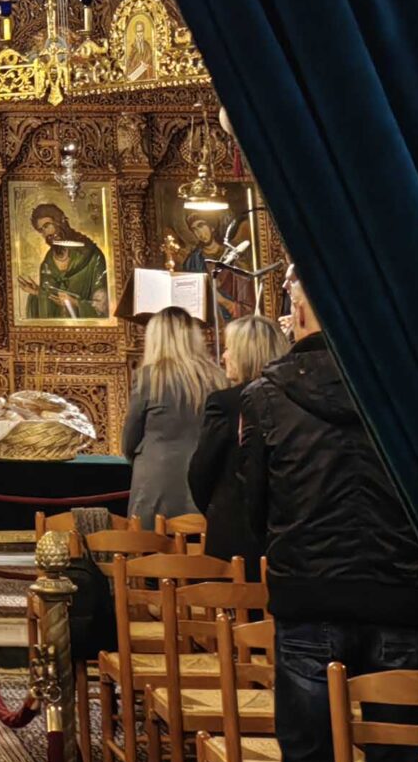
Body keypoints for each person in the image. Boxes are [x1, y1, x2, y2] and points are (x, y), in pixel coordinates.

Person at [232, 273, 418, 762]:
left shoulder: (265, 396)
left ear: (298, 313)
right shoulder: (406, 393)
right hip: (394, 590)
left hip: (309, 592)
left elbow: (254, 506)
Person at [186, 312, 289, 565]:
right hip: (286, 531)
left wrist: (220, 510)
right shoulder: (292, 398)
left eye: (229, 348)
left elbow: (201, 472)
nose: (223, 356)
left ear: (245, 354)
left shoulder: (225, 403)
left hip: (235, 533)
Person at [123, 306, 224, 523]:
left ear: (156, 339)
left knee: (150, 542)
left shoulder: (148, 378)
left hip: (156, 482)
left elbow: (130, 438)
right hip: (205, 480)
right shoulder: (217, 377)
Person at [17, 201, 108, 319]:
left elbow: (103, 306)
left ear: (61, 221)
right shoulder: (48, 263)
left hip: (85, 327)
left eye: (47, 225)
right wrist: (38, 293)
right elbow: (51, 303)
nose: (46, 233)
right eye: (41, 230)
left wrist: (75, 303)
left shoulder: (92, 256)